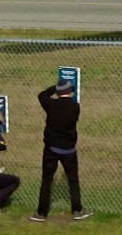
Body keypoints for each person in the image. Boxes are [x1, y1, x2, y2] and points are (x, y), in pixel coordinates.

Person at [31, 80, 91, 222]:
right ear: (70, 92)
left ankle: (41, 212)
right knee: (73, 180)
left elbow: (42, 95)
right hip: (68, 149)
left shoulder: (51, 105)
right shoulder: (75, 107)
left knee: (47, 180)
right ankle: (77, 210)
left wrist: (55, 88)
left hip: (51, 148)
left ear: (58, 93)